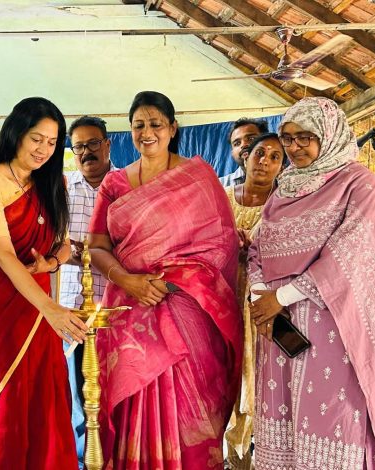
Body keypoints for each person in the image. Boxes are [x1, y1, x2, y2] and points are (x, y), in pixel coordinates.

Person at [248, 97, 375, 469]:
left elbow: (350, 254)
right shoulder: (284, 189)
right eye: (288, 138)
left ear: (329, 134)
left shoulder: (358, 184)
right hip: (278, 329)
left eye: (305, 137)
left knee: (332, 420)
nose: (294, 147)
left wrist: (281, 296)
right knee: (282, 424)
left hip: (332, 331)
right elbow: (259, 247)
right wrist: (260, 298)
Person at [88, 91, 242, 469]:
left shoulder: (198, 178)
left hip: (189, 311)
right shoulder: (114, 184)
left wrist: (176, 281)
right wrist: (129, 281)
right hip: (130, 308)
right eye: (138, 125)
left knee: (191, 408)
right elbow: (97, 247)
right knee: (134, 400)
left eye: (155, 124)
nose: (147, 132)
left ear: (172, 128)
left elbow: (221, 246)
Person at [0, 97, 87, 469]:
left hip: (38, 314)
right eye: (36, 138)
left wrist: (52, 262)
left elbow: (64, 245)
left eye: (52, 142)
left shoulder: (52, 183)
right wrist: (50, 309)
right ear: (16, 133)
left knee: (42, 405)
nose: (43, 149)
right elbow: (2, 252)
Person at [222, 133, 285, 470]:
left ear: (282, 167)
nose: (265, 161)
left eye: (275, 157)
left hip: (263, 307)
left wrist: (259, 252)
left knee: (258, 386)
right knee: (221, 383)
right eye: (260, 153)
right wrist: (227, 244)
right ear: (245, 157)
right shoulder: (222, 197)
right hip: (221, 300)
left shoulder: (285, 205)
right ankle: (226, 458)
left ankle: (250, 458)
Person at [60, 115, 115, 462]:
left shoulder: (126, 187)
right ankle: (82, 460)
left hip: (115, 306)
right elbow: (53, 246)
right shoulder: (62, 191)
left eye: (93, 143)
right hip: (71, 308)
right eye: (78, 146)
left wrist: (98, 253)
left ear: (108, 144)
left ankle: (115, 457)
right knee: (76, 395)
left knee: (113, 389)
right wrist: (75, 253)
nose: (86, 152)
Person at [219, 118, 269, 187]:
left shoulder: (282, 181)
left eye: (251, 139)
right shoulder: (220, 185)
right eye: (237, 143)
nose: (243, 145)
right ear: (232, 153)